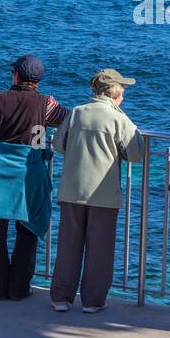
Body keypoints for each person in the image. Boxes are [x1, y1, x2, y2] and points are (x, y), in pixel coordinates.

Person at [0, 54, 67, 300]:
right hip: (30, 174)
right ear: (38, 80)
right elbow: (65, 119)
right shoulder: (46, 103)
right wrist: (40, 129)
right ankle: (19, 288)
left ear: (16, 75)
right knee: (28, 231)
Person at [49, 68, 146, 313]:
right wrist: (132, 127)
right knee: (99, 249)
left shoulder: (76, 113)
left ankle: (61, 297)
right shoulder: (118, 119)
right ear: (113, 93)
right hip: (104, 194)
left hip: (72, 189)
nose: (123, 95)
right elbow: (136, 154)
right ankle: (92, 301)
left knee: (68, 246)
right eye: (122, 90)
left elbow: (58, 146)